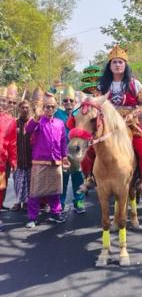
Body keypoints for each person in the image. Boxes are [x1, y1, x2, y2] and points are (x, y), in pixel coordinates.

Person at [80, 46, 142, 197]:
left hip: (130, 124)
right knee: (86, 151)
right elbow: (95, 104)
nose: (117, 65)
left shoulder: (135, 84)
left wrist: (133, 114)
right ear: (109, 65)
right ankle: (89, 178)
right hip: (106, 125)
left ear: (125, 65)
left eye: (120, 62)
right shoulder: (101, 86)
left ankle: (140, 180)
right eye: (114, 62)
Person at [25, 93, 70, 228]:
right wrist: (37, 117)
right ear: (43, 108)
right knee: (35, 192)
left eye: (51, 107)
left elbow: (63, 142)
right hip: (39, 162)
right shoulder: (38, 121)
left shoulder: (60, 123)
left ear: (55, 108)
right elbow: (28, 130)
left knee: (55, 191)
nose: (49, 109)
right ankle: (33, 218)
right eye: (46, 107)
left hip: (55, 162)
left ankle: (55, 213)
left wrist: (65, 156)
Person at [55, 85, 85, 213]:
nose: (68, 103)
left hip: (77, 151)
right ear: (62, 102)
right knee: (63, 178)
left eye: (71, 101)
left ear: (75, 102)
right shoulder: (57, 114)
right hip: (62, 151)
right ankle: (60, 203)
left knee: (78, 177)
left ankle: (79, 202)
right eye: (66, 100)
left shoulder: (79, 114)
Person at [11, 100, 32, 211]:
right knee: (18, 183)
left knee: (29, 183)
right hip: (18, 160)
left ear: (30, 108)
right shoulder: (14, 123)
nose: (25, 110)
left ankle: (28, 203)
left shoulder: (33, 123)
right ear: (19, 109)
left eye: (27, 107)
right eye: (23, 107)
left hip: (31, 160)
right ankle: (18, 203)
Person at [0, 87, 17, 211]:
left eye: (4, 100)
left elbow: (12, 143)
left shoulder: (11, 121)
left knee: (1, 186)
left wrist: (13, 161)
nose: (2, 103)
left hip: (3, 160)